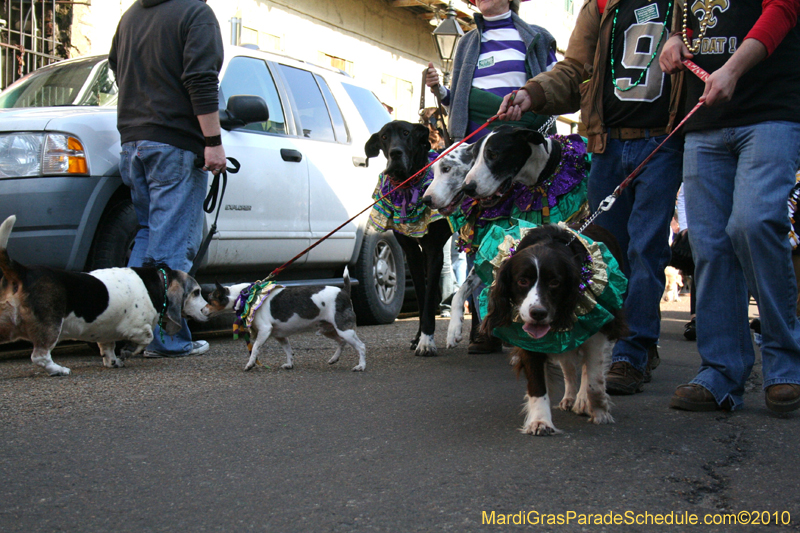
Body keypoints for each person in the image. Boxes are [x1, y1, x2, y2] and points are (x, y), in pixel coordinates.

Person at [497, 0, 684, 393]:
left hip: (662, 141)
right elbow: (574, 69)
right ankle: (598, 351)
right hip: (605, 143)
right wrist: (532, 93)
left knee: (646, 250)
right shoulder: (600, 5)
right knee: (604, 258)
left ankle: (633, 352)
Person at [660, 0, 800, 412]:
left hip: (771, 111)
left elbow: (784, 9)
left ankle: (785, 365)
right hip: (705, 118)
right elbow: (690, 15)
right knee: (709, 244)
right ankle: (721, 371)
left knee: (754, 223)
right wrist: (674, 38)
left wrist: (733, 69)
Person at [425, 0, 557, 353]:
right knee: (479, 240)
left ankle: (531, 319)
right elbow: (458, 102)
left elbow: (553, 88)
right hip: (477, 152)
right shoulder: (468, 41)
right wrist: (440, 91)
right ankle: (487, 324)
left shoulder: (537, 36)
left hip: (518, 151)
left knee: (527, 235)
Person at [109, 0, 226, 358]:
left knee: (147, 235)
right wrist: (213, 142)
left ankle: (134, 331)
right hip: (174, 143)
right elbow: (201, 79)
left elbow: (116, 68)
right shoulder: (195, 14)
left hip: (133, 142)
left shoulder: (130, 16)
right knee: (173, 244)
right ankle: (167, 339)